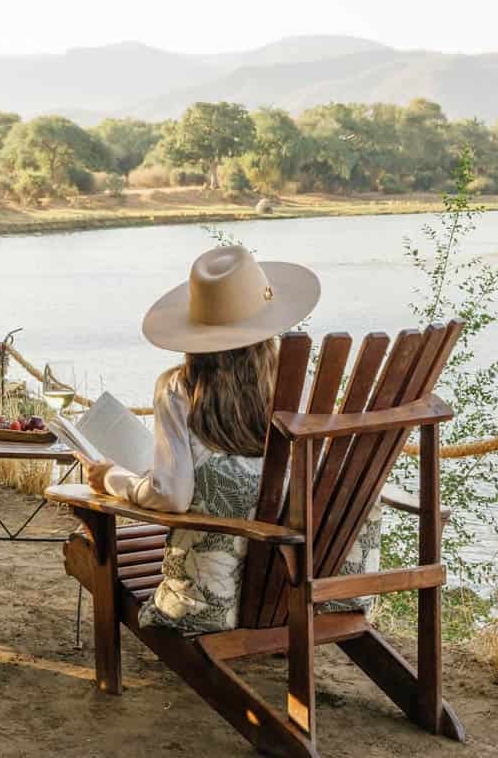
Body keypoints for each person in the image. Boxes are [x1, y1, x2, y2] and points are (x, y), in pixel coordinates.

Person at [74, 245, 321, 631]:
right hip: (294, 585)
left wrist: (110, 477)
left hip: (212, 596)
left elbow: (172, 496)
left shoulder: (179, 388)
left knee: (94, 548)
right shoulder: (298, 383)